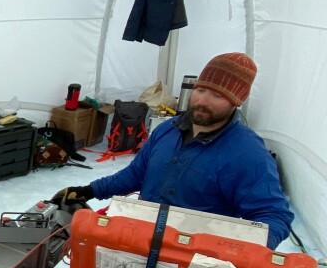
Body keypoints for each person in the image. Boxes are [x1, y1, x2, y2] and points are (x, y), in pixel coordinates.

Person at [53, 53, 293, 249]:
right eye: (200, 90)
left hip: (193, 255)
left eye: (217, 95)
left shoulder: (248, 153)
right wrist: (89, 190)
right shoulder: (168, 130)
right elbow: (136, 174)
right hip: (141, 237)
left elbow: (273, 215)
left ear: (236, 102)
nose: (203, 101)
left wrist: (245, 254)